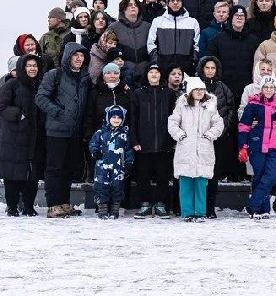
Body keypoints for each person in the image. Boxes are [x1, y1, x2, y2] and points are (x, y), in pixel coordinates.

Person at [35, 43, 90, 218]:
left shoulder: (84, 77)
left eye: (81, 56)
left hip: (74, 131)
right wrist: (58, 112)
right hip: (56, 130)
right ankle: (53, 205)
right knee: (54, 169)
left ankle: (64, 203)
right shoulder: (54, 74)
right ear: (68, 57)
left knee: (68, 168)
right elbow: (41, 98)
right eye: (76, 55)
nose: (79, 59)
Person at [0, 53, 44, 216]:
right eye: (29, 65)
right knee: (12, 174)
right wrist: (18, 115)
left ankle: (29, 206)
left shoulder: (41, 85)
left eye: (35, 66)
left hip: (35, 136)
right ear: (22, 68)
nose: (32, 68)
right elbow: (1, 107)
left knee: (32, 174)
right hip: (14, 136)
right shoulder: (12, 85)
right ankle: (12, 206)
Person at [168, 76, 224, 222]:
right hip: (185, 149)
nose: (199, 92)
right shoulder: (181, 106)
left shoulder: (210, 106)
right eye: (196, 90)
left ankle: (199, 212)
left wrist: (210, 135)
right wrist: (180, 135)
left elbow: (218, 124)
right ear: (190, 91)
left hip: (203, 149)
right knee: (185, 183)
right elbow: (172, 123)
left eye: (202, 89)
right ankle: (187, 213)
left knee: (200, 183)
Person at [237, 76, 276, 219]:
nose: (268, 90)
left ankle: (252, 204)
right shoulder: (253, 105)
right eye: (266, 87)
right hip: (256, 145)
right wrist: (243, 146)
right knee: (259, 176)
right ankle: (262, 210)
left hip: (274, 147)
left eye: (271, 87)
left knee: (271, 176)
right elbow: (244, 126)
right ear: (261, 89)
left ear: (275, 89)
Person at [127, 64, 176, 218]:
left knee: (163, 176)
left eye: (157, 72)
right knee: (143, 176)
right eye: (151, 72)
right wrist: (134, 139)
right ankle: (145, 204)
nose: (154, 75)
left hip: (164, 143)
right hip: (143, 144)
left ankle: (161, 204)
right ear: (146, 75)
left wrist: (172, 140)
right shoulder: (138, 94)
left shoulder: (169, 93)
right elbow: (133, 118)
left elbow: (174, 118)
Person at [198, 56, 237, 215]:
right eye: (207, 68)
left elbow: (230, 109)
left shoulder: (223, 87)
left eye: (213, 68)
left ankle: (210, 207)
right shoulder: (196, 86)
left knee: (213, 173)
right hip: (199, 138)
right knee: (199, 173)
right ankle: (199, 206)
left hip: (218, 138)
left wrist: (223, 128)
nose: (210, 71)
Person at [88, 105, 135, 219]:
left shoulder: (124, 134)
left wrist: (129, 163)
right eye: (113, 117)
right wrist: (95, 152)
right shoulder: (101, 132)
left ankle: (115, 209)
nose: (116, 120)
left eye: (119, 117)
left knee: (117, 187)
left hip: (118, 167)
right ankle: (102, 209)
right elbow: (93, 143)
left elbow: (128, 149)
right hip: (102, 166)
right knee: (101, 187)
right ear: (108, 118)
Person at [208, 5, 260, 103]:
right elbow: (211, 62)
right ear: (231, 18)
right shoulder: (218, 39)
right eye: (236, 15)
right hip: (224, 90)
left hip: (247, 90)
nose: (239, 18)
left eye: (242, 16)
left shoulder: (253, 41)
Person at [147, 0, 200, 76]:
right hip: (163, 67)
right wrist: (157, 62)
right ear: (168, 3)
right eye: (172, 0)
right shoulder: (158, 21)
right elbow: (151, 44)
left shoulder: (192, 22)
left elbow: (196, 46)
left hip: (186, 68)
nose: (175, 3)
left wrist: (192, 62)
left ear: (182, 2)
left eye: (178, 0)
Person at [110, 0, 152, 83]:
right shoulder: (114, 28)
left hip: (145, 75)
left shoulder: (148, 27)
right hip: (124, 75)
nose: (133, 7)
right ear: (123, 9)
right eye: (130, 5)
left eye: (136, 5)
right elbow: (108, 51)